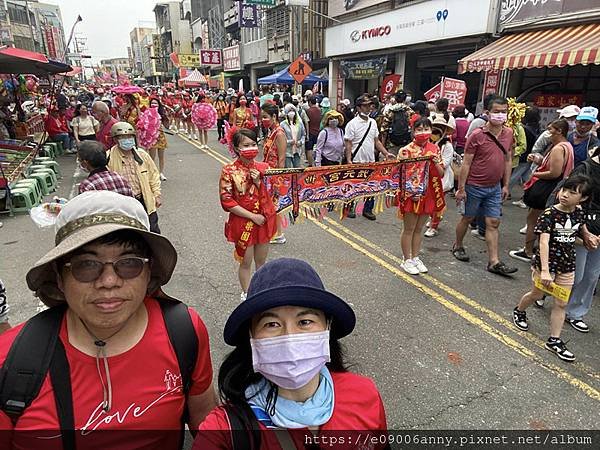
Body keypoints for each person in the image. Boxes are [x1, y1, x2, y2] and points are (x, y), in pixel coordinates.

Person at [0, 191, 217, 447]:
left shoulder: (183, 330)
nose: (109, 281)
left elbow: (205, 421)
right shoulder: (11, 359)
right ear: (59, 278)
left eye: (129, 263)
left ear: (149, 272)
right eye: (86, 265)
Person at [194, 258, 387, 449]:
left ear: (327, 328)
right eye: (272, 324)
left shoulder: (365, 394)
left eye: (305, 322)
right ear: (252, 337)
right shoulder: (224, 431)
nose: (290, 338)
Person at [512, 176, 591, 362]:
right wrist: (546, 270)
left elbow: (573, 236)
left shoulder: (579, 213)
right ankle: (519, 310)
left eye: (572, 193)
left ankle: (554, 340)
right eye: (564, 190)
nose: (565, 195)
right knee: (537, 295)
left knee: (561, 303)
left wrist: (588, 240)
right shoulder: (549, 214)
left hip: (567, 265)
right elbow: (544, 242)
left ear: (583, 198)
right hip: (546, 264)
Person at [452, 96, 518, 276]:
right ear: (487, 113)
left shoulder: (509, 133)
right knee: (467, 218)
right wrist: (461, 188)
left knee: (493, 222)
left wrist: (506, 185)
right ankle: (458, 245)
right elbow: (466, 163)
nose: (500, 115)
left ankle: (494, 261)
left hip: (494, 188)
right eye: (496, 111)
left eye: (503, 111)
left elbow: (508, 159)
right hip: (474, 186)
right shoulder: (477, 135)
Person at [219, 129, 276, 300]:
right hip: (243, 222)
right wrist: (252, 217)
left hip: (263, 221)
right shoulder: (229, 171)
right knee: (246, 262)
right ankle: (248, 294)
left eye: (253, 144)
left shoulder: (264, 168)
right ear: (236, 148)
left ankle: (261, 291)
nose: (250, 148)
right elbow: (227, 201)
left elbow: (274, 195)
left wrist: (259, 182)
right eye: (246, 145)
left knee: (261, 261)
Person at [509, 119, 574, 263]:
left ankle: (528, 251)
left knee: (534, 219)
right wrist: (540, 162)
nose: (547, 133)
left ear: (559, 131)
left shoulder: (558, 148)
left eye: (550, 129)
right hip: (554, 187)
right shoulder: (566, 146)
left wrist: (536, 174)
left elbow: (555, 172)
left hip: (547, 188)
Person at [397, 117, 445, 274]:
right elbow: (399, 176)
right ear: (413, 131)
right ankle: (406, 259)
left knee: (419, 228)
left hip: (428, 194)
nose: (423, 132)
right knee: (409, 228)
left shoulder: (435, 149)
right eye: (419, 129)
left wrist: (436, 162)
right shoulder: (405, 151)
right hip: (411, 195)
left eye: (426, 129)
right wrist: (411, 192)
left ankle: (416, 257)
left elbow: (441, 173)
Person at [562, 145, 600, 332]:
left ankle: (575, 312)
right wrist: (585, 233)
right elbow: (568, 202)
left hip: (598, 233)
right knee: (576, 275)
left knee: (592, 275)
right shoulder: (585, 169)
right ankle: (549, 293)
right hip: (580, 229)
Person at [344, 94, 394, 221]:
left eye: (370, 106)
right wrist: (349, 160)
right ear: (359, 108)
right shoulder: (352, 124)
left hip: (371, 160)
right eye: (365, 106)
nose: (368, 108)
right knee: (354, 186)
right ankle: (349, 207)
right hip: (356, 160)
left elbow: (376, 141)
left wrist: (385, 153)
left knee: (371, 187)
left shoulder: (372, 123)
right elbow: (348, 143)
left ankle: (368, 209)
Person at [106, 122, 162, 233]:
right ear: (116, 140)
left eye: (129, 136)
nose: (127, 140)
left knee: (153, 230)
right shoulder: (108, 157)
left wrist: (157, 194)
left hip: (144, 200)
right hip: (123, 203)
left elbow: (153, 175)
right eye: (122, 137)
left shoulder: (142, 155)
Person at [424, 116, 456, 238]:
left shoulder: (447, 146)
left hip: (442, 179)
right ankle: (434, 218)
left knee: (437, 202)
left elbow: (446, 163)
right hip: (428, 177)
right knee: (429, 201)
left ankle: (434, 226)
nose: (437, 131)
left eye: (441, 128)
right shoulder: (428, 143)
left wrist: (433, 162)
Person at [261, 103, 287, 245]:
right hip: (267, 174)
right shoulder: (271, 132)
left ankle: (279, 234)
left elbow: (281, 159)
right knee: (270, 205)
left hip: (275, 175)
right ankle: (273, 231)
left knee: (275, 205)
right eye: (261, 117)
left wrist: (278, 179)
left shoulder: (280, 133)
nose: (263, 120)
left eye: (265, 117)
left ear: (274, 116)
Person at [511, 107, 542, 208]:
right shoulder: (537, 127)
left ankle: (501, 195)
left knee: (514, 177)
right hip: (530, 156)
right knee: (526, 178)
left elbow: (522, 145)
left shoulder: (523, 128)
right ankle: (527, 197)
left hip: (523, 157)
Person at [379, 91, 414, 156]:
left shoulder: (390, 110)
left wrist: (383, 146)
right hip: (406, 143)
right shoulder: (409, 110)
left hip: (391, 143)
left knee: (392, 163)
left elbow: (384, 129)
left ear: (395, 98)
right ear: (405, 99)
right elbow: (413, 127)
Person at [146, 97, 169, 181]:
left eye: (156, 103)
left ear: (159, 105)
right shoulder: (147, 113)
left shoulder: (161, 113)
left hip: (161, 136)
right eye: (152, 103)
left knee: (161, 156)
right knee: (152, 157)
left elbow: (167, 126)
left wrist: (166, 116)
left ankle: (161, 173)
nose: (154, 105)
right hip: (152, 137)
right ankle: (152, 173)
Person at [305, 97, 322, 167]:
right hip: (318, 131)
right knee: (317, 148)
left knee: (309, 148)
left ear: (309, 102)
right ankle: (316, 162)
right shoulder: (320, 110)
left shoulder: (308, 111)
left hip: (310, 132)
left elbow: (306, 122)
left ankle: (310, 164)